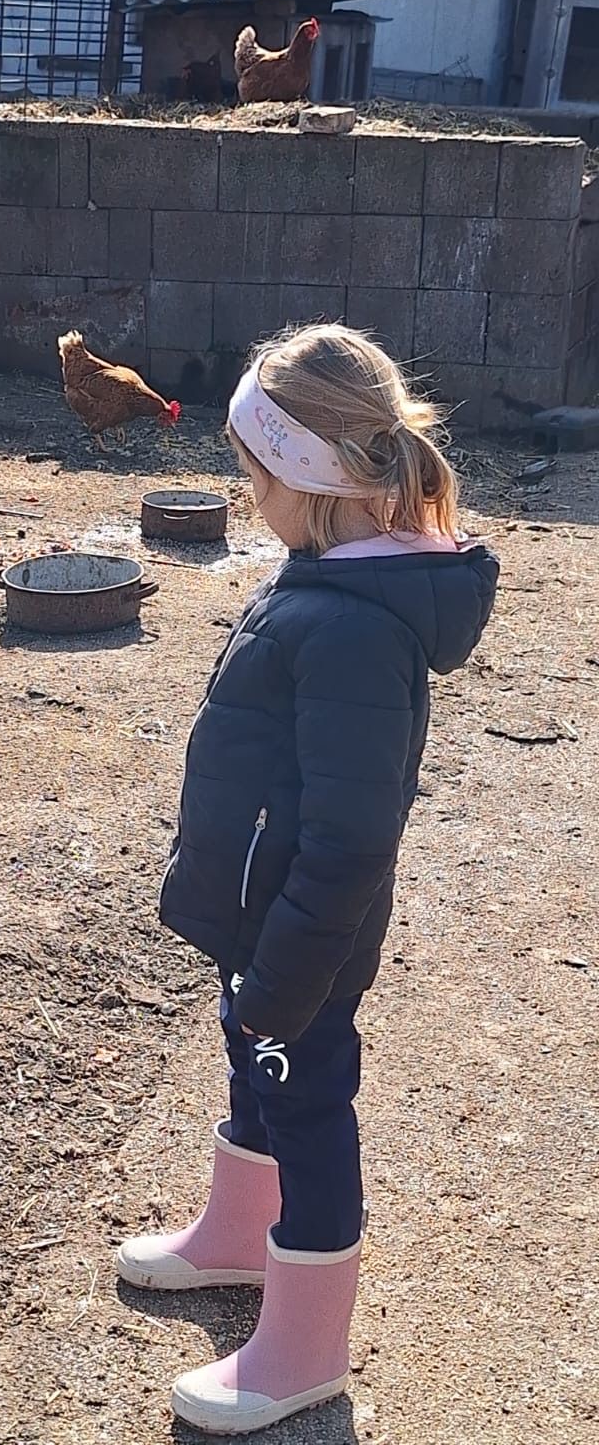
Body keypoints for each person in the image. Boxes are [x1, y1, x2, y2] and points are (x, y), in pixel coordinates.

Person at [118, 324, 499, 1434]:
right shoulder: (322, 577)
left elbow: (349, 838)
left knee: (309, 1100)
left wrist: (284, 967)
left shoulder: (350, 632)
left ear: (307, 478)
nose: (245, 495)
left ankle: (303, 1348)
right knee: (256, 1067)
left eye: (252, 473)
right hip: (268, 922)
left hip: (306, 942)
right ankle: (238, 1233)